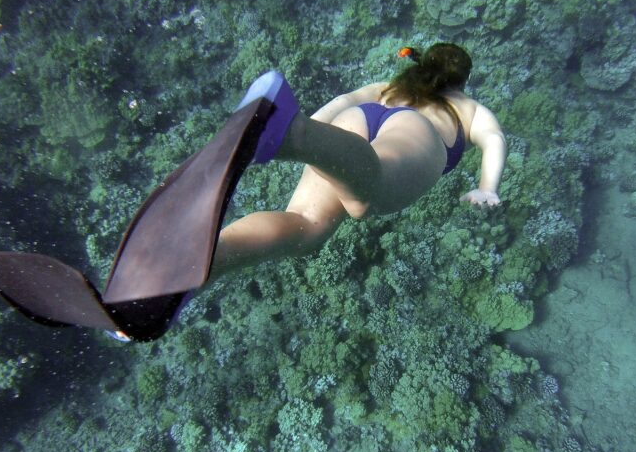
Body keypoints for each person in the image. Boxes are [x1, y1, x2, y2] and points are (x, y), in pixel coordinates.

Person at [210, 43, 507, 280]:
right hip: (413, 134)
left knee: (306, 228)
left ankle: (212, 259)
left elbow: (343, 101)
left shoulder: (391, 85)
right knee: (364, 201)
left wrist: (312, 123)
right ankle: (294, 136)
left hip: (358, 118)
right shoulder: (471, 109)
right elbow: (494, 139)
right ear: (464, 80)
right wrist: (487, 187)